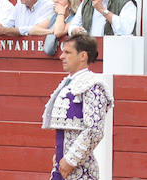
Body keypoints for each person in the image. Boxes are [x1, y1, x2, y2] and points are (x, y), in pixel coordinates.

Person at [42, 33, 113, 180]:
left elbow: (94, 130)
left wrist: (71, 159)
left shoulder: (93, 85)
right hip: (62, 166)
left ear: (83, 56)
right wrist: (61, 155)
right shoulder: (69, 83)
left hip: (80, 170)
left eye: (67, 52)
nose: (62, 56)